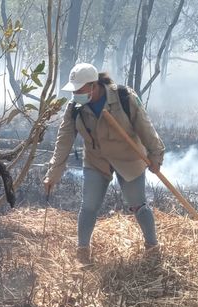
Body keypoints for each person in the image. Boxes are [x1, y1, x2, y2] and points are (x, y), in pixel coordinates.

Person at [43, 63, 165, 264]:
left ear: (93, 85)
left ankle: (152, 249)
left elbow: (145, 127)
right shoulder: (75, 107)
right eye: (74, 90)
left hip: (129, 158)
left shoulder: (124, 98)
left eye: (80, 89)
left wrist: (156, 156)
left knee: (138, 205)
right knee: (89, 206)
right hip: (96, 161)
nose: (76, 94)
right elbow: (64, 140)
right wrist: (53, 174)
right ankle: (82, 251)